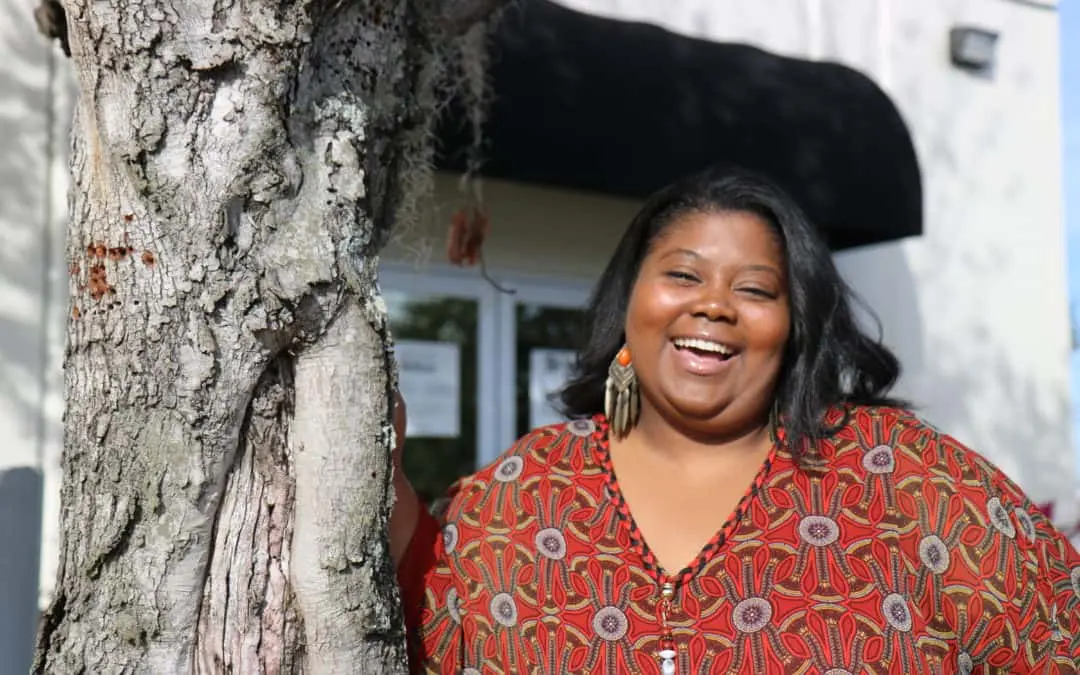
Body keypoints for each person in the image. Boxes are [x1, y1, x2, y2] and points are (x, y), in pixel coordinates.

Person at [390, 165, 1080, 674]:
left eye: (754, 289)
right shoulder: (529, 486)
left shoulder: (904, 477)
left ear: (794, 324)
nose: (714, 305)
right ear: (629, 301)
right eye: (684, 276)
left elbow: (1059, 628)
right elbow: (420, 594)